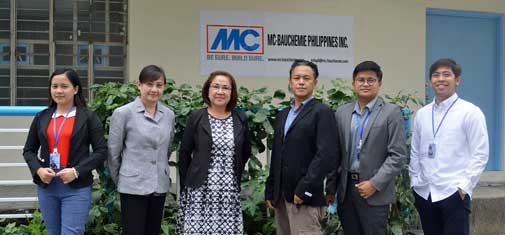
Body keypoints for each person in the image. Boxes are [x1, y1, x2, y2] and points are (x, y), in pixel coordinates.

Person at [325, 61, 407, 235]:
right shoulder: (342, 112)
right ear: (353, 84)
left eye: (371, 80)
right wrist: (331, 188)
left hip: (374, 192)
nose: (365, 84)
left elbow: (397, 155)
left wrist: (374, 184)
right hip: (346, 190)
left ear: (379, 84)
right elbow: (336, 153)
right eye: (361, 80)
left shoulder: (391, 113)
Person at [409, 58, 489, 235]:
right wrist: (415, 181)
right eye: (436, 75)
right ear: (430, 81)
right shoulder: (422, 114)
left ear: (457, 80)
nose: (441, 79)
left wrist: (463, 187)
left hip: (453, 192)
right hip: (425, 192)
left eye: (447, 74)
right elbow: (415, 151)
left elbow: (480, 153)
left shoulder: (470, 112)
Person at [23, 68, 107, 235]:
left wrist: (76, 171)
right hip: (48, 186)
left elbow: (101, 151)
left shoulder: (88, 117)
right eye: (54, 86)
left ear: (75, 89)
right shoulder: (42, 117)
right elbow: (29, 151)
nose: (58, 91)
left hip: (76, 186)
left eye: (64, 86)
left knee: (71, 232)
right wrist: (39, 169)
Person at [265, 59, 338, 234]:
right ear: (290, 82)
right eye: (296, 77)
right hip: (281, 197)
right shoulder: (283, 115)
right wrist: (270, 189)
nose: (301, 81)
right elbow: (277, 155)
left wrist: (304, 189)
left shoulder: (322, 112)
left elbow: (325, 155)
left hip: (304, 197)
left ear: (315, 83)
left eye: (306, 78)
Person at [175, 70, 251, 234]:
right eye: (215, 87)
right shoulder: (196, 117)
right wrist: (187, 185)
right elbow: (184, 153)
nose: (220, 92)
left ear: (232, 93)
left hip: (228, 191)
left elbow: (245, 152)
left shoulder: (240, 119)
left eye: (226, 88)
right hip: (199, 190)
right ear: (207, 90)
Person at [108, 65, 175, 235]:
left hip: (158, 184)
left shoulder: (168, 114)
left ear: (164, 87)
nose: (154, 89)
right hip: (132, 186)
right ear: (139, 85)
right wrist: (123, 178)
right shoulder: (123, 113)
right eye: (149, 84)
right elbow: (113, 152)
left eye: (159, 85)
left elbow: (166, 149)